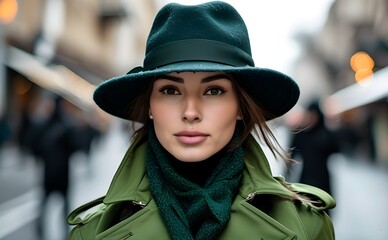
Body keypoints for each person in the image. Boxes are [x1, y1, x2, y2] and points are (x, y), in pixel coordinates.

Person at [67, 1, 336, 239]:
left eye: (214, 91)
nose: (190, 112)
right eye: (170, 90)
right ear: (149, 106)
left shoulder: (307, 226)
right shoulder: (90, 233)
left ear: (241, 107)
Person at [290, 100, 340, 196]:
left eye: (314, 115)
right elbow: (292, 155)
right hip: (305, 178)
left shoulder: (325, 133)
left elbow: (336, 149)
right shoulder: (302, 134)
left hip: (322, 178)